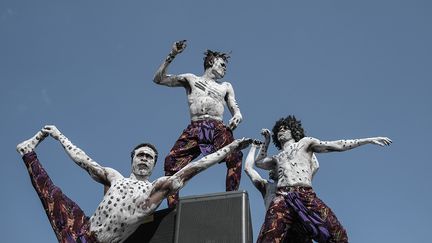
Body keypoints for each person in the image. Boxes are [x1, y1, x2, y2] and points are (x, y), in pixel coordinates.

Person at [17, 125, 251, 243]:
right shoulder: (113, 176)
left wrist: (228, 149)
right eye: (140, 155)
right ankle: (28, 153)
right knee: (53, 194)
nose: (144, 159)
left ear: (153, 164)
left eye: (149, 157)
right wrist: (60, 137)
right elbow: (84, 160)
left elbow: (194, 168)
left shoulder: (156, 189)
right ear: (132, 159)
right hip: (80, 229)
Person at [255, 116, 392, 243]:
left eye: (285, 128)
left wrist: (367, 140)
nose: (281, 131)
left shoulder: (305, 143)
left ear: (293, 130)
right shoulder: (278, 157)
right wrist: (266, 142)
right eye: (279, 130)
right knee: (269, 234)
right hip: (282, 197)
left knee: (336, 232)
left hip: (305, 194)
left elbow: (336, 145)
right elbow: (259, 162)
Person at [153, 40, 244, 207]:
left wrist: (237, 115)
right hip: (195, 127)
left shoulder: (225, 86)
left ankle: (231, 199)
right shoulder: (191, 79)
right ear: (211, 62)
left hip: (217, 127)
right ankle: (174, 209)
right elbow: (158, 79)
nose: (225, 68)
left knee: (235, 155)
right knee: (171, 162)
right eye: (222, 64)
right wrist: (172, 55)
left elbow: (233, 105)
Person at [244, 129, 319, 211]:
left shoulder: (298, 182)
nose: (271, 169)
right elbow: (248, 169)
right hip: (276, 220)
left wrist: (304, 148)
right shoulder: (266, 187)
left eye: (275, 165)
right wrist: (254, 147)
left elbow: (314, 166)